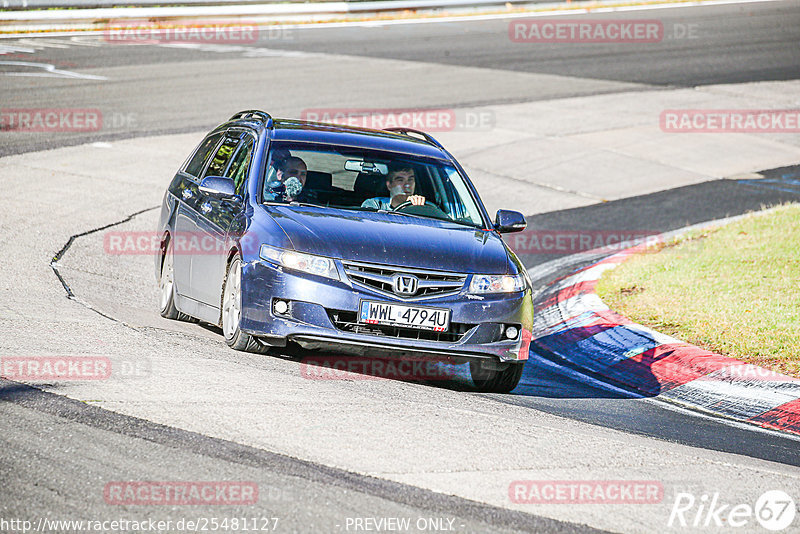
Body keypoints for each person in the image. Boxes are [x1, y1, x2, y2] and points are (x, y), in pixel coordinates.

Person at [361, 163, 425, 210]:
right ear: (389, 185)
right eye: (400, 180)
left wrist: (417, 207)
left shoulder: (422, 206)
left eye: (410, 180)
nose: (407, 185)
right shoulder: (375, 205)